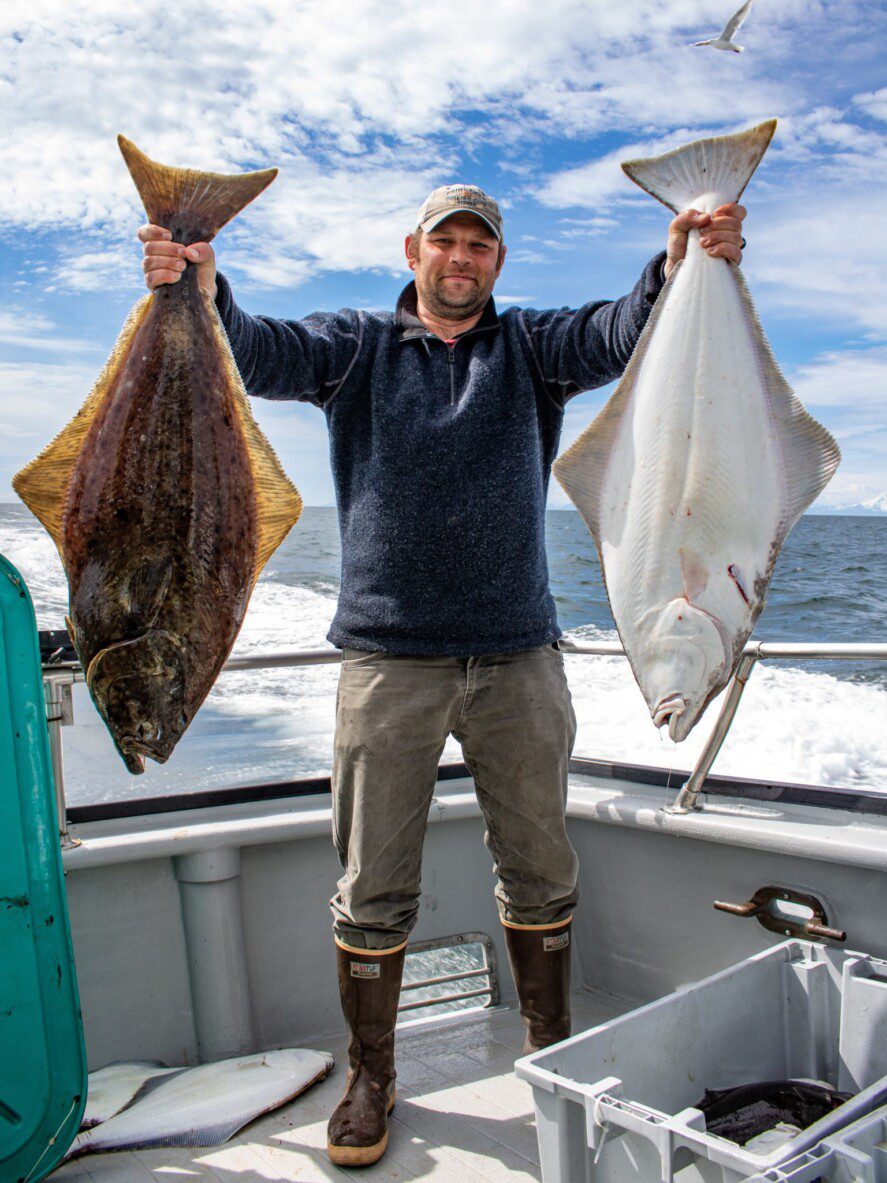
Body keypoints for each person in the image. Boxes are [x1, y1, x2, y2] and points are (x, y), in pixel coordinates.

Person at [139, 184, 745, 1166]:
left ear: (497, 261)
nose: (461, 257)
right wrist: (206, 291)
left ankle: (554, 1046)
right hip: (388, 664)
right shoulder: (357, 346)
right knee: (372, 885)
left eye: (480, 244)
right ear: (412, 249)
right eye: (445, 241)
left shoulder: (531, 351)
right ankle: (370, 1074)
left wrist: (675, 266)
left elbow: (615, 332)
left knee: (541, 868)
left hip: (518, 656)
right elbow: (261, 353)